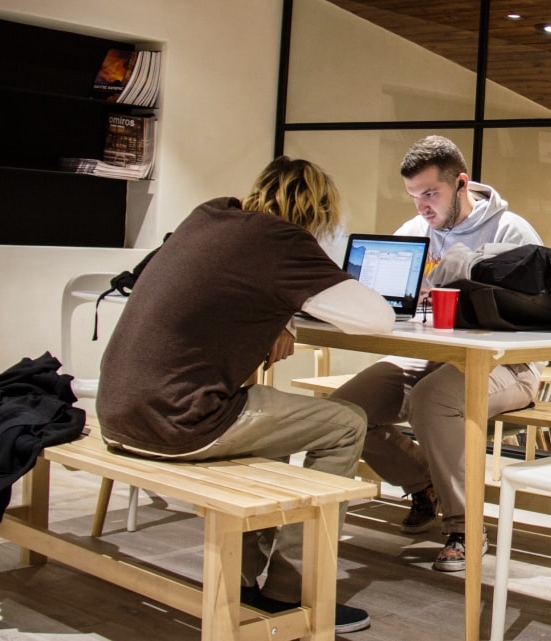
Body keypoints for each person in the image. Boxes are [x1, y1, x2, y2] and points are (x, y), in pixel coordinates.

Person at [96, 156, 395, 633]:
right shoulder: (284, 242)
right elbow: (378, 318)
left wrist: (281, 316)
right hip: (177, 422)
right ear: (319, 212)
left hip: (118, 413)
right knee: (347, 422)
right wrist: (292, 301)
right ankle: (292, 591)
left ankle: (243, 581)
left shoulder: (208, 217)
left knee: (273, 419)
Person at [330, 135, 544, 572]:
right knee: (343, 412)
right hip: (428, 355)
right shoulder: (413, 233)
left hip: (507, 362)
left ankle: (466, 528)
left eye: (430, 193)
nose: (422, 207)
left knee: (433, 400)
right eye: (413, 196)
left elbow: (537, 313)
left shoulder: (511, 231)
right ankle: (423, 482)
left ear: (461, 183)